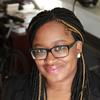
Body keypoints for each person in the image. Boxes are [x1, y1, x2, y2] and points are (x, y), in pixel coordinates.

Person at [2, 7, 100, 100]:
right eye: (40, 51)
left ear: (78, 47)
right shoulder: (12, 90)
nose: (49, 60)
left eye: (59, 48)